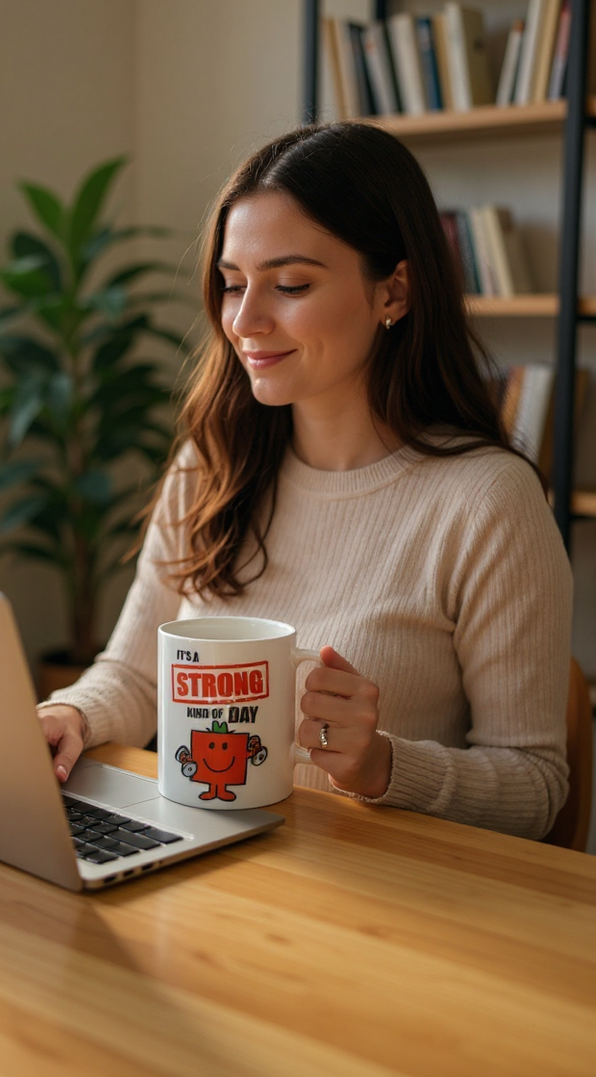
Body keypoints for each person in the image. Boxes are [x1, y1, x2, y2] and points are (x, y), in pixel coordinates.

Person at [37, 121, 572, 840]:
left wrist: (382, 766)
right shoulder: (211, 466)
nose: (245, 320)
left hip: (372, 909)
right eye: (232, 285)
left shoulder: (485, 503)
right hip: (195, 865)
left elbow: (536, 788)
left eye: (289, 284)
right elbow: (134, 678)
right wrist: (69, 715)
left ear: (395, 291)